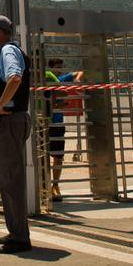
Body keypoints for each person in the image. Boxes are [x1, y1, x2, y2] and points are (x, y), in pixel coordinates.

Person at [0, 14, 32, 254]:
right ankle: (15, 230)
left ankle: (20, 237)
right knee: (7, 178)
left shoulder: (9, 52)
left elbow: (15, 78)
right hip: (5, 121)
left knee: (11, 179)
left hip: (8, 121)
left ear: (0, 30)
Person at [43, 57, 77, 202]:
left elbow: (77, 75)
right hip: (47, 123)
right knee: (45, 157)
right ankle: (46, 187)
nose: (61, 69)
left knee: (57, 157)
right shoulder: (46, 78)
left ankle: (54, 186)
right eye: (58, 66)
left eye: (62, 66)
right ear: (50, 67)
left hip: (56, 123)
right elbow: (59, 94)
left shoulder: (58, 79)